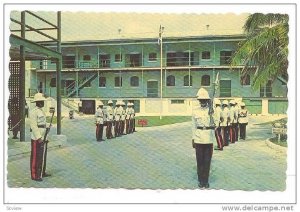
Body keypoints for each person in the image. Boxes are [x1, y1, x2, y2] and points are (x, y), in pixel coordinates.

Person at [192, 88, 215, 188]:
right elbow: (193, 125)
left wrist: (212, 114)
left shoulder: (212, 110)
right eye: (201, 100)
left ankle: (206, 180)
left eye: (204, 100)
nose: (202, 101)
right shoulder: (195, 111)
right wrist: (193, 138)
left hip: (209, 138)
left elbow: (217, 123)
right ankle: (201, 180)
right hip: (198, 138)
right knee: (199, 160)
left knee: (207, 161)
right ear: (199, 100)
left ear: (207, 100)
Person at [29, 92, 51, 181]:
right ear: (37, 102)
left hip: (43, 135)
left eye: (43, 101)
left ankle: (41, 172)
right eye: (41, 101)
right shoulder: (33, 112)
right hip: (36, 137)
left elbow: (42, 124)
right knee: (35, 156)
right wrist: (39, 138)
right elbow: (34, 126)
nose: (43, 103)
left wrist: (47, 126)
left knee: (42, 155)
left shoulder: (41, 111)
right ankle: (34, 175)